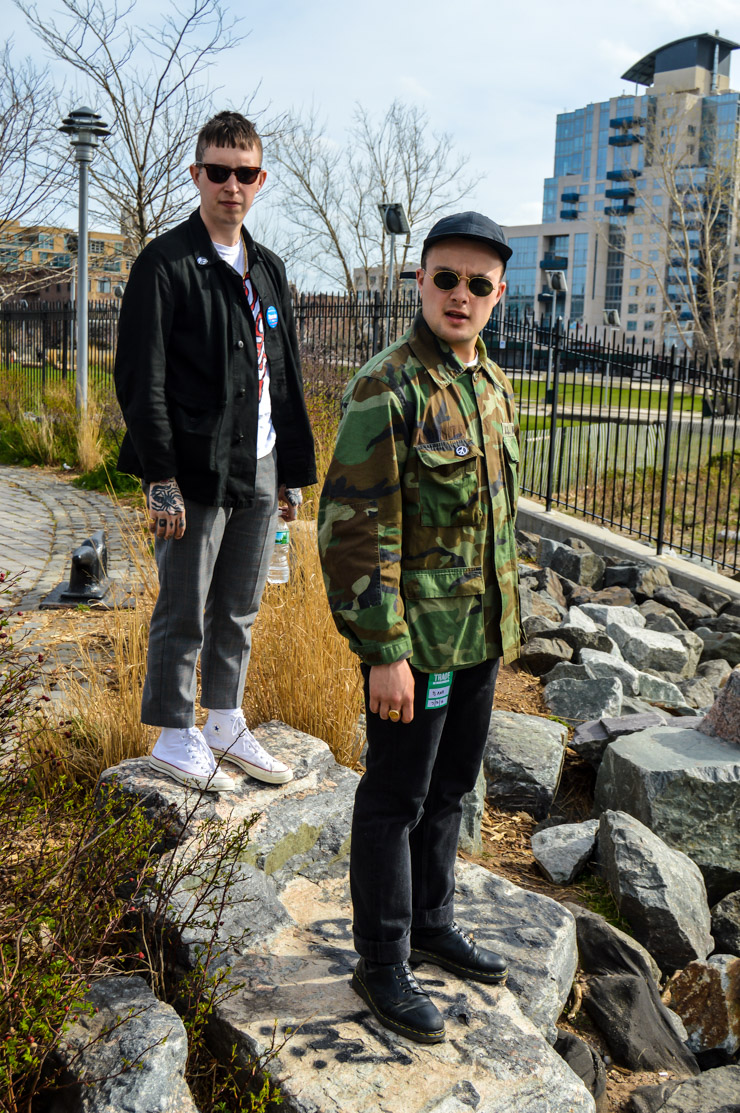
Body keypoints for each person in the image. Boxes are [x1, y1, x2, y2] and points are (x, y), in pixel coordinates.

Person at [318, 212, 520, 1044]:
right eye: (447, 278)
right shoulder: (386, 385)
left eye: (479, 283)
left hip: (478, 639)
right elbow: (353, 530)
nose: (461, 295)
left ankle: (433, 917)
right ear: (420, 280)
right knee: (394, 798)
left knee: (451, 790)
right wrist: (384, 651)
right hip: (416, 647)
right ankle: (383, 958)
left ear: (499, 294)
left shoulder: (491, 386)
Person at [114, 111, 316, 793]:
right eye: (219, 171)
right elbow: (142, 380)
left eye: (246, 172)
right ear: (196, 174)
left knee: (240, 601)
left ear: (261, 180)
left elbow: (281, 372)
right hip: (194, 467)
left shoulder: (268, 269)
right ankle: (175, 732)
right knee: (184, 600)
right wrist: (160, 477)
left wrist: (290, 471)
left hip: (257, 462)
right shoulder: (164, 265)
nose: (233, 185)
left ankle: (224, 717)